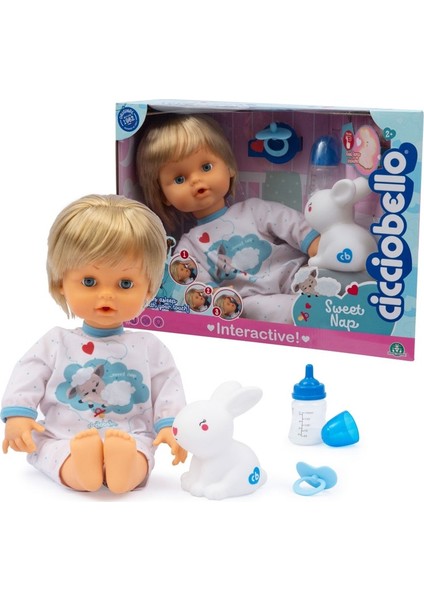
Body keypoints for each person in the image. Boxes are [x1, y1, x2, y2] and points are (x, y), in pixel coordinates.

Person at [1, 195, 187, 494]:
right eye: (89, 281)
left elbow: (168, 387)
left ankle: (124, 469)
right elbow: (27, 376)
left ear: (149, 288)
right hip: (62, 437)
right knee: (51, 452)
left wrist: (169, 425)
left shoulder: (148, 346)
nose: (106, 295)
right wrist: (19, 416)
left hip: (130, 437)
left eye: (125, 284)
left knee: (141, 455)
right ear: (61, 282)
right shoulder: (56, 342)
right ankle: (80, 469)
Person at [137, 114, 319, 323]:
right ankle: (311, 316)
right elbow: (192, 283)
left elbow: (288, 221)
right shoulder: (189, 247)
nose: (196, 180)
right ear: (163, 195)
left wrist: (313, 242)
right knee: (262, 310)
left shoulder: (252, 209)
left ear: (229, 167)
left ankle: (326, 309)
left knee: (324, 278)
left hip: (294, 272)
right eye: (179, 179)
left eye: (206, 167)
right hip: (251, 299)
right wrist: (214, 295)